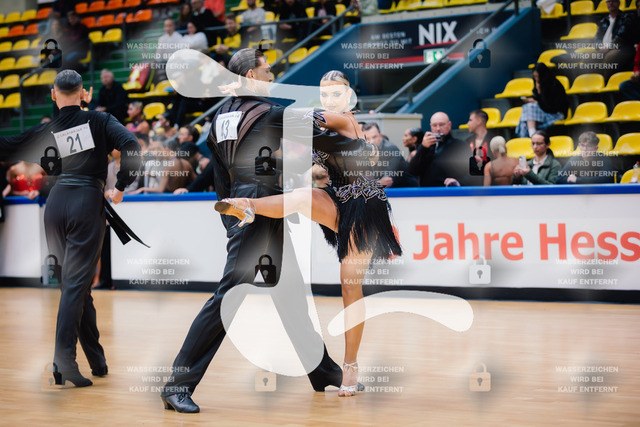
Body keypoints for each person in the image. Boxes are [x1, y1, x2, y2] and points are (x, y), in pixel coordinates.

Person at [160, 49, 346, 413]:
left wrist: (231, 214)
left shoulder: (221, 118)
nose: (272, 75)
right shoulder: (269, 113)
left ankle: (322, 371)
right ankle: (176, 384)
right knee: (228, 298)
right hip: (260, 209)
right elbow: (322, 133)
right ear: (250, 75)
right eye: (267, 70)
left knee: (289, 294)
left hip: (249, 207)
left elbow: (221, 175)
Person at [215, 69, 402, 397]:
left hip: (364, 206)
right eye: (325, 93)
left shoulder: (342, 119)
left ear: (349, 96)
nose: (329, 99)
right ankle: (247, 205)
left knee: (350, 287)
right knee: (302, 197)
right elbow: (296, 152)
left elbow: (291, 119)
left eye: (336, 93)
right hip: (337, 199)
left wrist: (248, 94)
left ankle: (350, 367)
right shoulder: (326, 129)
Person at [0, 70, 141, 387]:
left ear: (53, 95)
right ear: (84, 93)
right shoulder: (100, 120)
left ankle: (97, 360)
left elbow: (6, 146)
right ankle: (63, 362)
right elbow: (131, 145)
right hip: (85, 204)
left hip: (54, 206)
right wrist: (121, 185)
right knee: (76, 285)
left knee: (75, 286)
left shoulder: (46, 130)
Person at [408, 112, 469, 187]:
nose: (438, 129)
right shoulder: (425, 146)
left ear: (449, 125)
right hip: (427, 192)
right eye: (434, 125)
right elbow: (412, 171)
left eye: (441, 124)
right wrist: (423, 147)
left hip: (451, 191)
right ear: (430, 126)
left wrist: (460, 182)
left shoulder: (460, 145)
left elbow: (473, 172)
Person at [516, 63, 568, 138]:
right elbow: (539, 100)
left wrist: (539, 95)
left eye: (537, 76)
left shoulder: (555, 85)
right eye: (534, 76)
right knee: (525, 121)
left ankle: (532, 136)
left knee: (530, 107)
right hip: (543, 113)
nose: (536, 79)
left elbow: (550, 107)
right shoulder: (538, 84)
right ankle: (531, 138)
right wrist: (534, 98)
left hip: (556, 114)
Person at [362, 122, 417, 187]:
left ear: (381, 136)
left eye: (374, 137)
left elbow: (387, 181)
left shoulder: (390, 148)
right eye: (367, 138)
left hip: (407, 190)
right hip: (388, 190)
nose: (372, 141)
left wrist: (369, 186)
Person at [466, 110, 495, 177]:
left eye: (470, 120)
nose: (468, 123)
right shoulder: (467, 141)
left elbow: (499, 163)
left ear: (479, 121)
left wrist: (483, 162)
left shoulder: (494, 140)